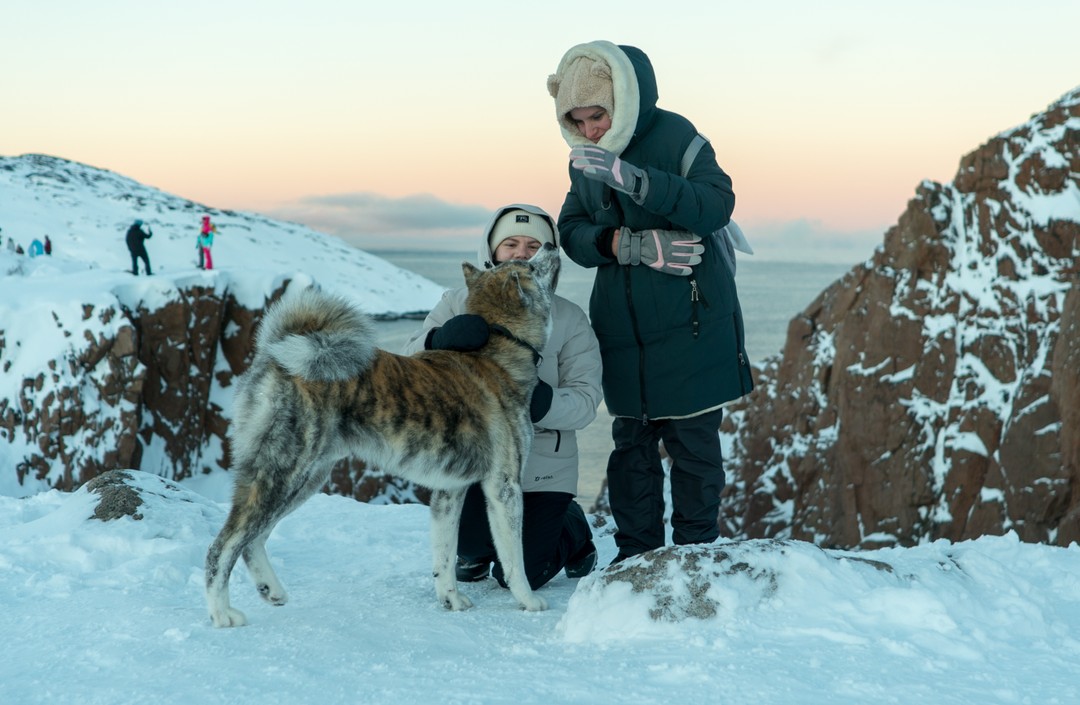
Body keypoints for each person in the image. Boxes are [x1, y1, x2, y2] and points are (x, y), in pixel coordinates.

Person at [546, 41, 754, 563]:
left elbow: (716, 204)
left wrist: (636, 181)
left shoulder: (678, 135)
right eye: (579, 119)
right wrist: (625, 244)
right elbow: (571, 232)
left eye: (599, 115)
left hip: (692, 324)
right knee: (631, 452)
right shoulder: (583, 160)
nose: (591, 129)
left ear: (624, 100)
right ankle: (636, 557)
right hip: (623, 330)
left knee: (694, 450)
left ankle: (694, 555)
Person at [402, 204, 604, 589]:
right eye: (510, 243)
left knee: (523, 575)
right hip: (473, 455)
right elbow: (407, 364)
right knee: (471, 548)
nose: (521, 253)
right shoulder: (455, 303)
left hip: (542, 467)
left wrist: (538, 400)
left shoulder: (569, 317)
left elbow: (585, 401)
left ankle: (572, 528)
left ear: (547, 255)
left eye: (533, 245)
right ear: (492, 251)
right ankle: (478, 548)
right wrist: (437, 340)